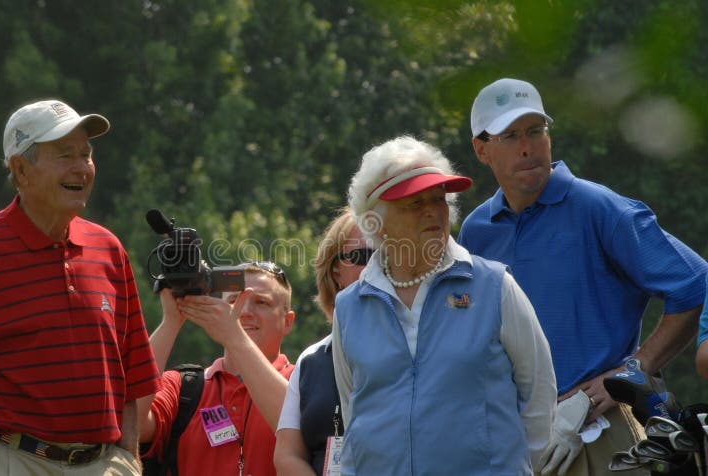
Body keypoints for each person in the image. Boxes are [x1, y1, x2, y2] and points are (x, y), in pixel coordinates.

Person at [459, 77, 708, 476]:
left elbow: (696, 284)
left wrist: (631, 372)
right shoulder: (476, 231)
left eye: (536, 132)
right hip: (512, 441)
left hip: (600, 434)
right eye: (510, 136)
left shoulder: (598, 208)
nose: (528, 147)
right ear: (481, 149)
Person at [0, 100, 161, 476]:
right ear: (20, 169)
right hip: (6, 461)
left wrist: (127, 457)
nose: (81, 167)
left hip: (103, 464)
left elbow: (132, 379)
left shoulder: (109, 249)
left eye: (86, 154)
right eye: (64, 155)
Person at [332, 136, 557, 475]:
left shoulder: (495, 287)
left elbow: (539, 396)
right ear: (374, 220)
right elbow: (355, 411)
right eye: (413, 202)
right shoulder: (349, 307)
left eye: (439, 199)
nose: (432, 211)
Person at [138, 262, 296, 476]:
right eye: (233, 300)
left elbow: (297, 427)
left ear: (287, 322)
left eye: (261, 302)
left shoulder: (302, 380)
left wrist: (235, 336)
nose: (245, 311)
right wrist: (172, 321)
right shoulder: (184, 387)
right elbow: (133, 425)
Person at [274, 208, 371, 475]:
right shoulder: (311, 360)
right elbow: (286, 455)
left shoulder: (416, 347)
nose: (374, 268)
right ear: (336, 271)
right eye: (362, 256)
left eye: (384, 256)